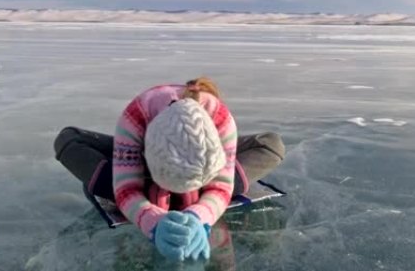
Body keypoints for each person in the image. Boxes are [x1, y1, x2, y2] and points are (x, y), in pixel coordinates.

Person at [53, 77, 285, 261]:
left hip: (203, 153)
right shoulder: (136, 118)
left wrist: (200, 216)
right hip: (140, 155)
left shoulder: (222, 121)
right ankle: (146, 177)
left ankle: (184, 182)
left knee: (270, 145)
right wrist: (152, 222)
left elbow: (221, 186)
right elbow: (126, 188)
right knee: (70, 141)